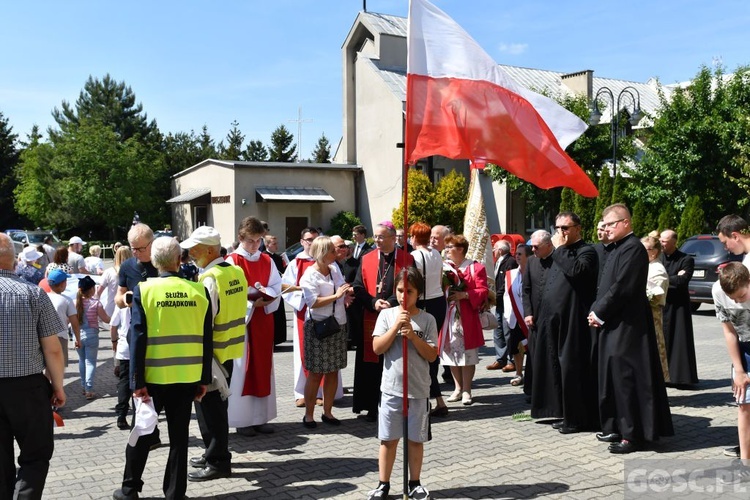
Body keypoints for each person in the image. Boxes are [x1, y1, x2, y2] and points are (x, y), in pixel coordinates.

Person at [113, 236, 212, 500]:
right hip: (187, 377)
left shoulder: (145, 291)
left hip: (153, 378)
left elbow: (137, 339)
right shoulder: (199, 291)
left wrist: (136, 382)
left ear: (155, 262)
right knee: (179, 440)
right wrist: (204, 378)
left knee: (142, 433)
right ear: (180, 260)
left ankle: (129, 489)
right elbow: (206, 339)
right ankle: (175, 494)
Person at [588, 204, 673, 454]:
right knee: (612, 377)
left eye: (611, 224)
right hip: (613, 324)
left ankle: (632, 435)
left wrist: (599, 312)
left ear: (626, 223)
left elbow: (623, 287)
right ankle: (616, 425)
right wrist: (596, 310)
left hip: (627, 327)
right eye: (604, 224)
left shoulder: (633, 248)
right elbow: (605, 286)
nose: (606, 228)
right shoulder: (617, 248)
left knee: (626, 379)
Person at [0, 232, 66, 499]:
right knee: (35, 457)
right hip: (28, 388)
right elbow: (53, 348)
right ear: (14, 261)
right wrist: (59, 387)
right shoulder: (33, 294)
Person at [180, 226, 248, 482]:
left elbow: (205, 320)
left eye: (195, 248)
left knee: (212, 409)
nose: (190, 252)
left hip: (212, 353)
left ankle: (218, 461)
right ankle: (212, 453)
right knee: (214, 406)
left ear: (209, 250)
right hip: (229, 348)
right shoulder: (235, 271)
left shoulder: (209, 278)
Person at [366, 267, 437, 500]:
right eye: (399, 290)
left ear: (419, 294)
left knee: (415, 440)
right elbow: (377, 348)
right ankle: (383, 484)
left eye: (409, 291)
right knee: (388, 439)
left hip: (418, 389)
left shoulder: (427, 319)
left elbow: (432, 355)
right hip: (391, 388)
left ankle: (415, 482)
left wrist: (413, 336)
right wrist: (396, 327)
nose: (403, 296)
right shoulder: (386, 316)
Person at [536, 212, 599, 434]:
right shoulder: (559, 253)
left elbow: (577, 271)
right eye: (558, 228)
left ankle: (577, 419)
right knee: (555, 366)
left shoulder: (587, 251)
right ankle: (562, 411)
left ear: (578, 228)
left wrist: (560, 249)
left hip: (574, 320)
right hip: (553, 319)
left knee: (572, 367)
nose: (561, 232)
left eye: (566, 228)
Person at [225, 217, 282, 436]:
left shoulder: (267, 261)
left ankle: (261, 418)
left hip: (263, 320)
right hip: (243, 324)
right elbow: (229, 294)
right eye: (251, 241)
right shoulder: (232, 261)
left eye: (259, 240)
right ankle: (243, 420)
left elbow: (276, 285)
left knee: (263, 368)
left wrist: (269, 297)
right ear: (241, 238)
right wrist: (250, 303)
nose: (255, 245)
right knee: (242, 370)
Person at [352, 221, 414, 421]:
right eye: (375, 236)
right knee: (371, 362)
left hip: (396, 314)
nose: (377, 240)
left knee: (393, 361)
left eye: (381, 237)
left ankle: (395, 404)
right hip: (371, 315)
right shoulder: (367, 258)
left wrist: (390, 303)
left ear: (393, 238)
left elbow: (410, 286)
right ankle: (371, 406)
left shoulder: (407, 258)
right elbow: (358, 286)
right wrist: (373, 302)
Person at [283, 228, 342, 407]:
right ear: (302, 242)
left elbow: (340, 284)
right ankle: (302, 392)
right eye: (308, 240)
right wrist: (305, 296)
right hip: (305, 312)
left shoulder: (332, 266)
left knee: (329, 360)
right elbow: (286, 289)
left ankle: (326, 395)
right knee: (306, 356)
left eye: (315, 239)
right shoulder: (296, 263)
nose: (312, 242)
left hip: (330, 315)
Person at [300, 236, 353, 428]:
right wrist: (336, 296)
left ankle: (328, 412)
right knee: (315, 372)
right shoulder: (309, 275)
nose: (336, 253)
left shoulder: (334, 269)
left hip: (337, 324)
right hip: (318, 328)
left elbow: (341, 287)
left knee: (333, 371)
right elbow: (312, 302)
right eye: (332, 250)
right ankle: (308, 415)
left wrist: (346, 295)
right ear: (323, 253)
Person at [440, 234, 489, 406]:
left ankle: (467, 390)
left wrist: (465, 294)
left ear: (460, 249)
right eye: (445, 247)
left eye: (449, 247)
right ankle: (457, 388)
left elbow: (483, 290)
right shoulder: (444, 268)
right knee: (451, 355)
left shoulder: (476, 267)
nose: (446, 250)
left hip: (467, 317)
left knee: (467, 355)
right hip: (449, 316)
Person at [409, 222, 449, 417]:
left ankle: (433, 399)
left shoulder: (415, 256)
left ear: (415, 237)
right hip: (439, 302)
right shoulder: (436, 254)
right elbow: (440, 279)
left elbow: (414, 284)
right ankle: (436, 399)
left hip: (425, 304)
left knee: (423, 353)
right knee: (431, 350)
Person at [714, 262, 750, 464]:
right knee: (744, 403)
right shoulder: (718, 291)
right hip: (745, 350)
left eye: (742, 297)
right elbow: (729, 332)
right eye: (732, 299)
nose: (737, 302)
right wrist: (739, 370)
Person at [660, 229, 698, 386]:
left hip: (678, 307)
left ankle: (681, 378)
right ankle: (662, 375)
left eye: (665, 241)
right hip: (662, 304)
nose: (661, 243)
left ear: (674, 242)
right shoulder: (658, 258)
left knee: (679, 340)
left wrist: (663, 279)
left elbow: (683, 281)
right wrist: (673, 278)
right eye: (660, 240)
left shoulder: (686, 259)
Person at [522, 230, 555, 402]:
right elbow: (526, 290)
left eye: (536, 247)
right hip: (534, 319)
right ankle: (533, 391)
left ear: (549, 245)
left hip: (552, 318)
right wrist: (527, 313)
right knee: (534, 356)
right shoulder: (532, 262)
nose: (533, 250)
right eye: (531, 246)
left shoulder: (558, 261)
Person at [76, 275, 110, 400]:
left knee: (81, 361)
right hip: (92, 335)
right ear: (91, 290)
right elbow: (105, 319)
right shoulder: (96, 303)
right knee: (90, 362)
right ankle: (89, 389)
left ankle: (83, 386)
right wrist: (115, 318)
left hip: (77, 336)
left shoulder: (75, 303)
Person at [642, 236, 670, 382]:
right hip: (642, 317)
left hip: (652, 316)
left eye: (643, 249)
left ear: (654, 252)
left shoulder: (657, 269)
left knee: (653, 351)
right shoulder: (645, 265)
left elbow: (655, 296)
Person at [503, 245, 532, 387]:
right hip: (514, 318)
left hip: (529, 317)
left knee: (530, 348)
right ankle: (519, 373)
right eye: (516, 253)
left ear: (528, 256)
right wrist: (508, 315)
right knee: (515, 348)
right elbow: (506, 295)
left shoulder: (534, 272)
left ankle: (532, 375)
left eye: (520, 254)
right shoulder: (511, 274)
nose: (517, 256)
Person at [487, 240, 518, 372]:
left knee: (508, 331)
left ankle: (512, 360)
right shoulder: (498, 261)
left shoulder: (510, 262)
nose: (493, 252)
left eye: (494, 249)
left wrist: (495, 296)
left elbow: (508, 283)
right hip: (499, 302)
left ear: (500, 250)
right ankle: (500, 359)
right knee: (497, 330)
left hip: (506, 301)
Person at [47, 268, 81, 367]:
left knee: (47, 366)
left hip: (44, 337)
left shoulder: (43, 297)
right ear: (62, 284)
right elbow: (74, 322)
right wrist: (78, 339)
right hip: (60, 336)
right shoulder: (67, 300)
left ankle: (46, 382)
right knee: (59, 366)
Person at [110, 304, 132, 430]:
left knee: (124, 381)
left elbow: (113, 326)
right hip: (143, 348)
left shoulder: (121, 304)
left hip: (125, 348)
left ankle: (121, 414)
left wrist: (114, 342)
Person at [263, 234, 288, 345]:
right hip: (269, 289)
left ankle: (278, 338)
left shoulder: (278, 258)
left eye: (277, 243)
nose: (276, 246)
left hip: (279, 289)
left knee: (279, 315)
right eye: (274, 244)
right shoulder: (263, 257)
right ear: (267, 244)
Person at [97, 246, 133, 318]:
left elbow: (98, 292)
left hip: (112, 308)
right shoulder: (134, 272)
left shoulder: (109, 272)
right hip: (130, 308)